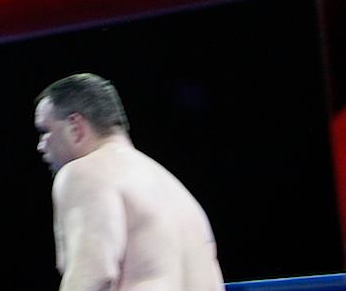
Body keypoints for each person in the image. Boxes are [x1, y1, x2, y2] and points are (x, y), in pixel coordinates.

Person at [34, 73, 224, 291]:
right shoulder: (175, 189)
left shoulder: (84, 172)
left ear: (75, 126)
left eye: (45, 131)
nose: (41, 145)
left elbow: (94, 274)